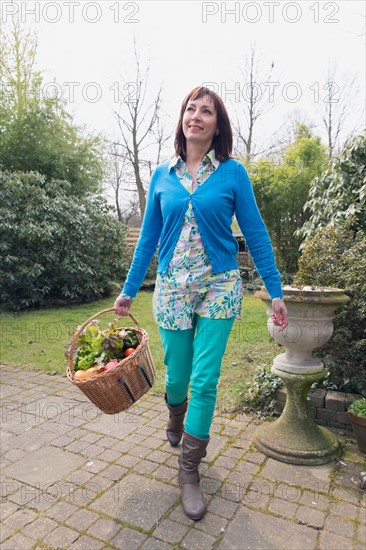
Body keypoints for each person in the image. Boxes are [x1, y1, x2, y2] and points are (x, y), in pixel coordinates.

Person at [114, 86, 288, 521]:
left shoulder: (233, 174)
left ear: (217, 124)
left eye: (206, 111)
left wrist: (276, 290)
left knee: (205, 380)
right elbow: (148, 240)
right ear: (182, 119)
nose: (197, 115)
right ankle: (175, 415)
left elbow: (257, 233)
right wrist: (129, 288)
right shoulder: (161, 176)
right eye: (191, 108)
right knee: (178, 375)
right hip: (172, 287)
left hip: (220, 286)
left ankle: (189, 470)